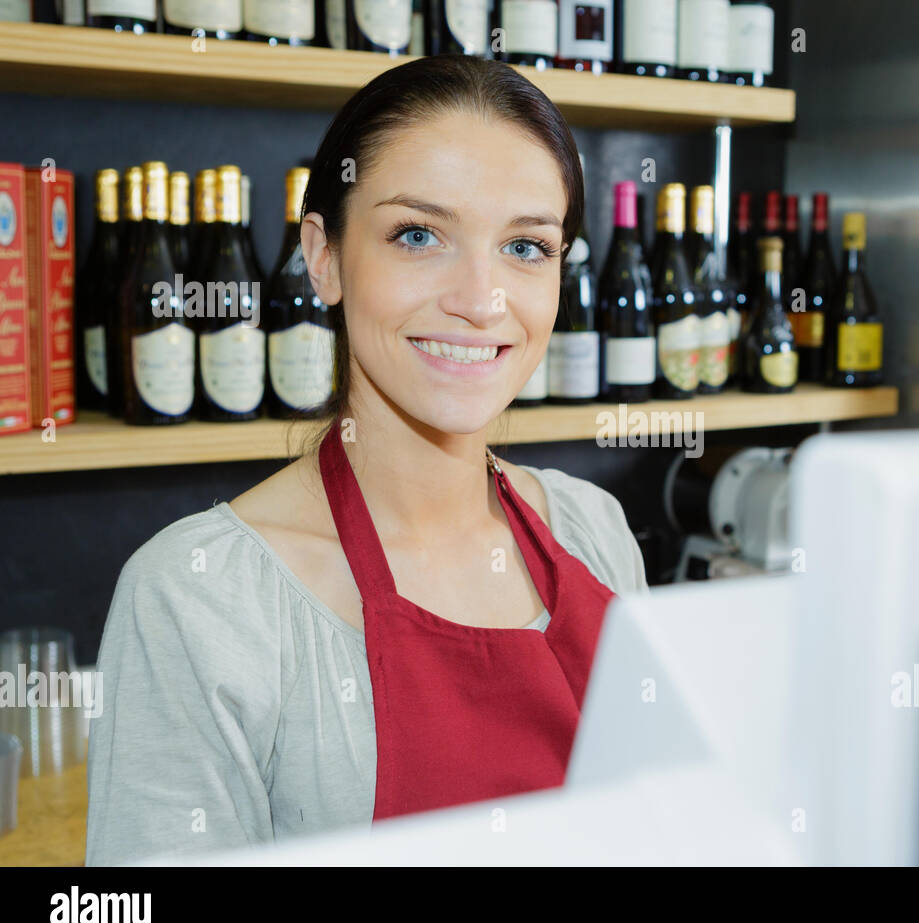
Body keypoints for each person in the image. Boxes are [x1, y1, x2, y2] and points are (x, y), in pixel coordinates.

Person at [86, 56, 647, 866]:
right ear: (324, 256)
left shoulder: (596, 533)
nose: (482, 298)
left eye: (527, 246)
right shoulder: (197, 601)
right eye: (419, 235)